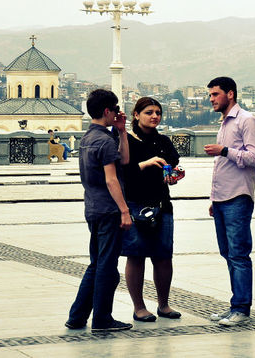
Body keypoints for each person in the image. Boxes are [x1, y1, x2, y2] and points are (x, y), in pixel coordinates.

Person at [65, 89, 133, 332]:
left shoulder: (88, 138)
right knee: (106, 267)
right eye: (115, 110)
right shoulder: (103, 141)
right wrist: (124, 211)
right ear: (107, 111)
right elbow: (112, 179)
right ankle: (102, 319)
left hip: (92, 208)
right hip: (108, 210)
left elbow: (123, 160)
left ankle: (77, 316)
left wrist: (122, 131)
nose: (117, 113)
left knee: (97, 263)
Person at [203, 77, 255, 327]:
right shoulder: (224, 122)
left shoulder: (246, 120)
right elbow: (222, 166)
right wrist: (213, 198)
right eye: (209, 95)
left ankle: (241, 308)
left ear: (230, 93)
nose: (212, 99)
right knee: (228, 253)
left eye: (215, 94)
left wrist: (224, 150)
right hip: (222, 197)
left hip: (238, 196)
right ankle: (235, 305)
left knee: (238, 254)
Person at [120, 97, 182, 323]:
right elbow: (120, 172)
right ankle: (139, 307)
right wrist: (144, 164)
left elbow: (172, 165)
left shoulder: (164, 141)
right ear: (136, 115)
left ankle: (163, 304)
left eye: (158, 112)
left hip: (162, 203)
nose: (154, 116)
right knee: (136, 256)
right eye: (149, 112)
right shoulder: (126, 140)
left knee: (164, 256)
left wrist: (174, 175)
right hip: (135, 203)